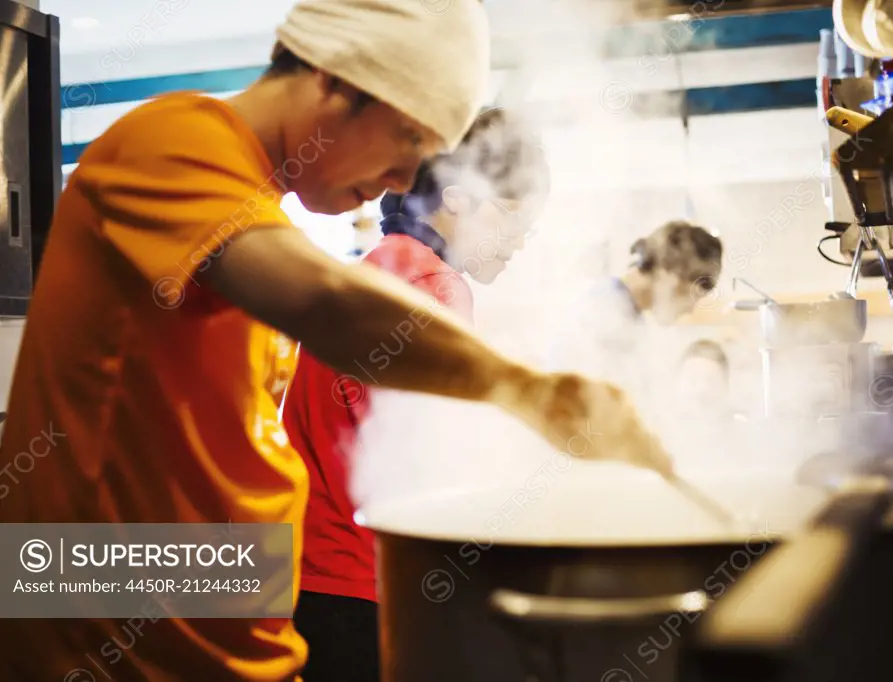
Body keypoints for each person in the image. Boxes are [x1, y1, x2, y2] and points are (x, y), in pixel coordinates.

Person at [0, 2, 671, 681]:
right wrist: (528, 391)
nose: (409, 183)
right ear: (334, 81)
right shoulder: (174, 142)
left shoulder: (253, 209)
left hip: (231, 624)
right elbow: (329, 306)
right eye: (408, 141)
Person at [282, 107, 549, 682]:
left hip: (315, 577)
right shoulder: (434, 284)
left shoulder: (379, 268)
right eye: (516, 216)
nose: (522, 240)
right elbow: (444, 462)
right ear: (458, 197)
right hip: (373, 585)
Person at [549, 220, 724, 391]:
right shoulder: (604, 308)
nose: (690, 309)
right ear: (670, 275)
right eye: (692, 296)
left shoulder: (628, 313)